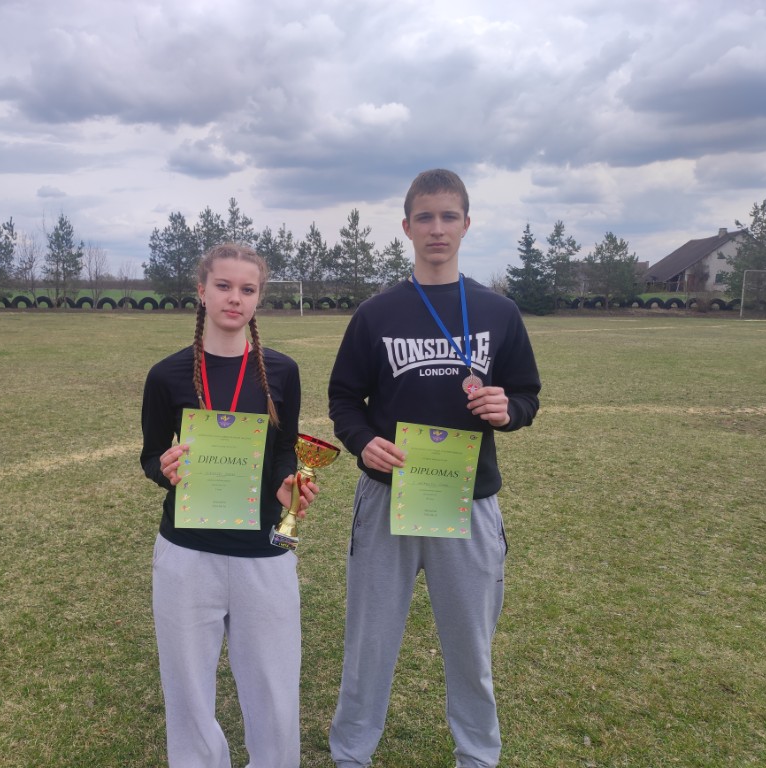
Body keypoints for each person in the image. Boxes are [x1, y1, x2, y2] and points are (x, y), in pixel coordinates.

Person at [327, 169, 541, 768]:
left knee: (471, 647)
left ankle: (477, 756)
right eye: (425, 217)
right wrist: (362, 442)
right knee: (369, 643)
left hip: (468, 499)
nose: (437, 228)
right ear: (407, 227)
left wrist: (508, 410)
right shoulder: (376, 313)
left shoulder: (499, 311)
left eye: (449, 216)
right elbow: (343, 398)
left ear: (466, 225)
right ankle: (351, 755)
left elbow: (526, 393)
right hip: (387, 497)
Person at [140, 242, 318, 768]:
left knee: (273, 686)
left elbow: (284, 449)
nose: (234, 298)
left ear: (259, 297)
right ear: (202, 291)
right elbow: (151, 455)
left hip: (263, 551)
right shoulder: (167, 374)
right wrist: (165, 468)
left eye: (247, 289)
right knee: (188, 689)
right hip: (187, 551)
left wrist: (287, 484)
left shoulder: (281, 371)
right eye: (223, 286)